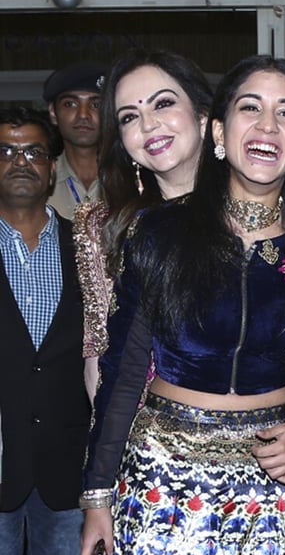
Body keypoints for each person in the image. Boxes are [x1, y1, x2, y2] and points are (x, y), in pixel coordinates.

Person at [78, 55, 285, 555]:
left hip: (278, 479)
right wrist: (97, 497)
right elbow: (123, 373)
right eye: (250, 108)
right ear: (220, 131)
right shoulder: (159, 232)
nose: (267, 125)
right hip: (163, 484)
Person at [75, 48, 214, 400]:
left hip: (270, 421)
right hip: (147, 424)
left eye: (163, 104)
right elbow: (100, 361)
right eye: (129, 117)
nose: (148, 124)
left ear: (202, 116)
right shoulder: (104, 227)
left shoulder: (261, 210)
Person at [0, 107, 90, 555]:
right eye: (6, 151)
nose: (20, 162)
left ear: (52, 168)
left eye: (33, 152)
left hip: (67, 468)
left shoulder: (88, 249)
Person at [44, 61, 107, 220]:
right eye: (70, 104)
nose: (83, 115)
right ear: (53, 113)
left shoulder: (135, 180)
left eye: (96, 105)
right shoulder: (38, 179)